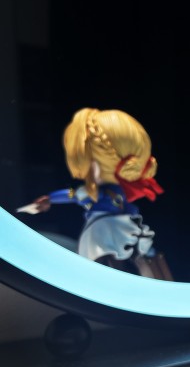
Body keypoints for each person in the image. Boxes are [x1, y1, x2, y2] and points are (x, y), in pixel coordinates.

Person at [31, 108, 172, 280]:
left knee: (129, 258)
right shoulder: (108, 193)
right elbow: (73, 195)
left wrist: (51, 199)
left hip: (104, 233)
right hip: (116, 233)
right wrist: (51, 199)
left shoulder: (103, 194)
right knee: (140, 255)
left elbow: (72, 195)